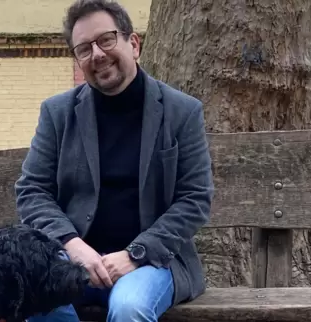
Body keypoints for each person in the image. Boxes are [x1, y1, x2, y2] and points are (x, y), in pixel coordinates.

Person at [14, 0, 214, 321]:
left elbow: (194, 199)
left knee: (128, 306)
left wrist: (135, 254)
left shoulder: (182, 112)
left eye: (106, 40)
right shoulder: (58, 113)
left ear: (132, 44)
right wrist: (72, 246)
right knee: (33, 297)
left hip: (153, 262)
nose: (97, 54)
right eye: (83, 49)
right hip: (73, 260)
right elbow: (33, 192)